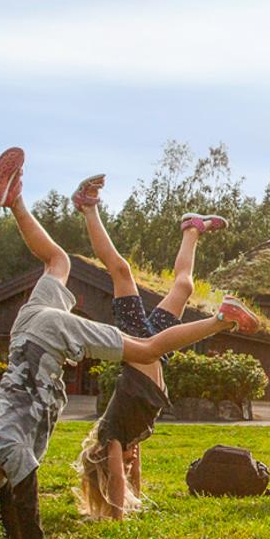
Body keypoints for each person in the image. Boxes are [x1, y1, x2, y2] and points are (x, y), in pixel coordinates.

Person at [0, 147, 261, 539]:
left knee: (147, 346)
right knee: (58, 262)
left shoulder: (8, 450)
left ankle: (221, 318)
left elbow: (20, 504)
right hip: (25, 332)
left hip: (49, 336)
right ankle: (16, 202)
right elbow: (3, 495)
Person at [64, 171, 227, 520]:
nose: (132, 461)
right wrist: (135, 488)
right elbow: (132, 479)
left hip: (139, 344)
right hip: (154, 348)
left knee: (121, 271)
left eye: (123, 464)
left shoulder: (112, 436)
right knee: (183, 288)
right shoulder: (133, 439)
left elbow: (120, 484)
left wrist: (117, 514)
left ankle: (87, 207)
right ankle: (191, 230)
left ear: (109, 469)